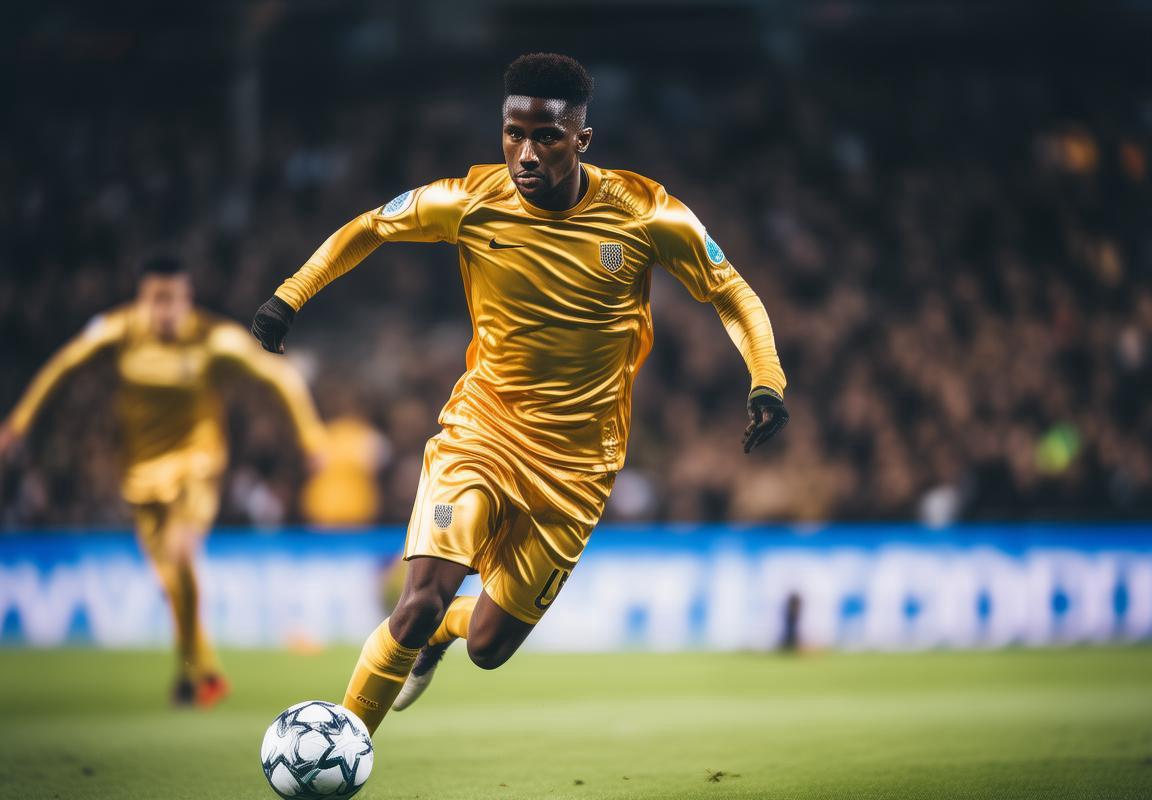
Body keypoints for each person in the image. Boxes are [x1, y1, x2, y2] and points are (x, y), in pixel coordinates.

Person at [250, 53, 788, 733]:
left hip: (578, 468)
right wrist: (290, 295)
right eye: (514, 133)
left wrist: (766, 377)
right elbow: (371, 227)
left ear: (581, 140)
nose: (525, 153)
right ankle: (343, 740)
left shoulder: (647, 214)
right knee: (415, 602)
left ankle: (441, 634)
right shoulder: (471, 200)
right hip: (484, 431)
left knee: (487, 646)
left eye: (547, 137)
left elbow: (732, 292)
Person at [0, 256, 327, 706]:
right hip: (139, 476)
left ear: (187, 299)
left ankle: (194, 675)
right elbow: (64, 365)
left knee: (179, 554)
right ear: (142, 299)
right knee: (169, 580)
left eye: (173, 299)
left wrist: (312, 437)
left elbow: (280, 376)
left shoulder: (213, 339)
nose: (164, 309)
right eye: (156, 299)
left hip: (197, 468)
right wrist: (19, 422)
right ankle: (202, 670)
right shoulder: (119, 331)